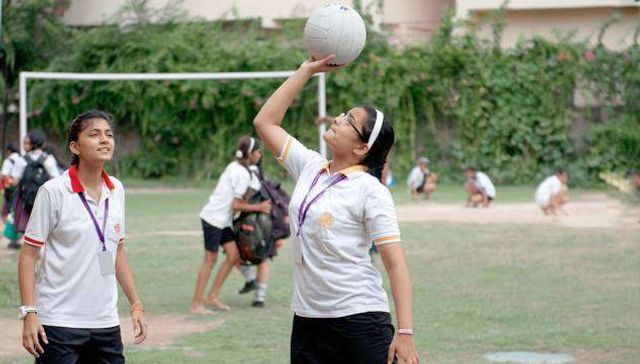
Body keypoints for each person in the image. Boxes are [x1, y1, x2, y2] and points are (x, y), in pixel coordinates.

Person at [254, 55, 419, 364]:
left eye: (348, 121)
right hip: (307, 318)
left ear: (362, 148)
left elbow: (396, 266)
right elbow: (265, 123)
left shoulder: (371, 191)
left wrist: (406, 332)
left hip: (359, 320)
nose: (337, 119)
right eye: (343, 115)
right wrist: (305, 71)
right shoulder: (311, 166)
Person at [18, 110, 147, 363]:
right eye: (94, 134)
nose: (104, 140)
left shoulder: (116, 189)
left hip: (106, 323)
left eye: (109, 134)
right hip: (58, 323)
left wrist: (136, 304)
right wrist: (29, 312)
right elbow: (28, 254)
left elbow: (117, 251)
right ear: (75, 147)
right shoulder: (53, 191)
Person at [191, 135, 272, 314]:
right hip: (213, 219)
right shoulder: (242, 173)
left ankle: (212, 297)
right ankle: (196, 304)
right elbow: (235, 205)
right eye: (258, 151)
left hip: (222, 220)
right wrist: (260, 206)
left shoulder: (235, 166)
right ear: (250, 154)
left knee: (234, 255)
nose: (260, 154)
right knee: (209, 260)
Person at [237, 160, 291, 307]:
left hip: (254, 226)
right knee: (263, 259)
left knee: (234, 253)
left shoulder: (247, 177)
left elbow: (244, 203)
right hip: (270, 228)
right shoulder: (266, 182)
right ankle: (259, 296)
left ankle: (251, 280)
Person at [11, 131, 61, 238]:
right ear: (42, 143)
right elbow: (56, 180)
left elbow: (15, 181)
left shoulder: (22, 160)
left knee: (29, 227)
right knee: (44, 224)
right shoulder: (48, 159)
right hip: (45, 199)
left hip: (26, 199)